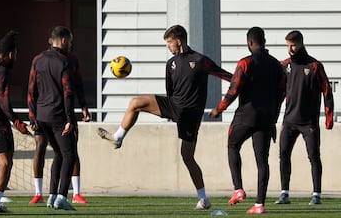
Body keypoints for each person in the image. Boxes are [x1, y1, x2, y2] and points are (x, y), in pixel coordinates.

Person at [97, 24, 232, 210]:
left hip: (191, 114)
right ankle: (118, 138)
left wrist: (241, 89)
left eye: (169, 42)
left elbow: (227, 76)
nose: (168, 46)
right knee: (136, 103)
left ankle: (203, 199)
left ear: (179, 41)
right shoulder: (171, 64)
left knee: (187, 156)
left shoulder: (200, 60)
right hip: (173, 104)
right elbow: (170, 90)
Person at [209, 26, 285, 214]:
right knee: (262, 161)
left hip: (246, 116)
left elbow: (234, 89)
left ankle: (239, 189)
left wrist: (219, 109)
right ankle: (260, 204)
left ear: (249, 43)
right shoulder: (277, 65)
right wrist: (273, 119)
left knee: (232, 145)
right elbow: (281, 94)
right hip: (267, 119)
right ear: (264, 41)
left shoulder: (245, 62)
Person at [29, 31, 91, 205]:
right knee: (69, 155)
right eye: (70, 41)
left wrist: (32, 117)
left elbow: (31, 90)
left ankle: (51, 196)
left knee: (58, 154)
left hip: (41, 117)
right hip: (59, 116)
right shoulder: (65, 61)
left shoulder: (37, 59)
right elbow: (68, 92)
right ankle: (63, 197)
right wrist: (70, 119)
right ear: (64, 40)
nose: (71, 45)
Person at [274, 30, 334, 205]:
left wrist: (328, 118)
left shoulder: (314, 65)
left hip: (309, 122)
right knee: (283, 154)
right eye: (287, 45)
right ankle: (284, 193)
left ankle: (317, 194)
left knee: (314, 156)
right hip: (289, 121)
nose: (290, 49)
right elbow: (279, 93)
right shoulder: (285, 66)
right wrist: (274, 116)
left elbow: (327, 91)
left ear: (300, 43)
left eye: (293, 45)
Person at [0, 30, 30, 213]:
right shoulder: (3, 71)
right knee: (6, 163)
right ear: (11, 54)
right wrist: (17, 122)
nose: (16, 57)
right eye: (16, 54)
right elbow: (3, 100)